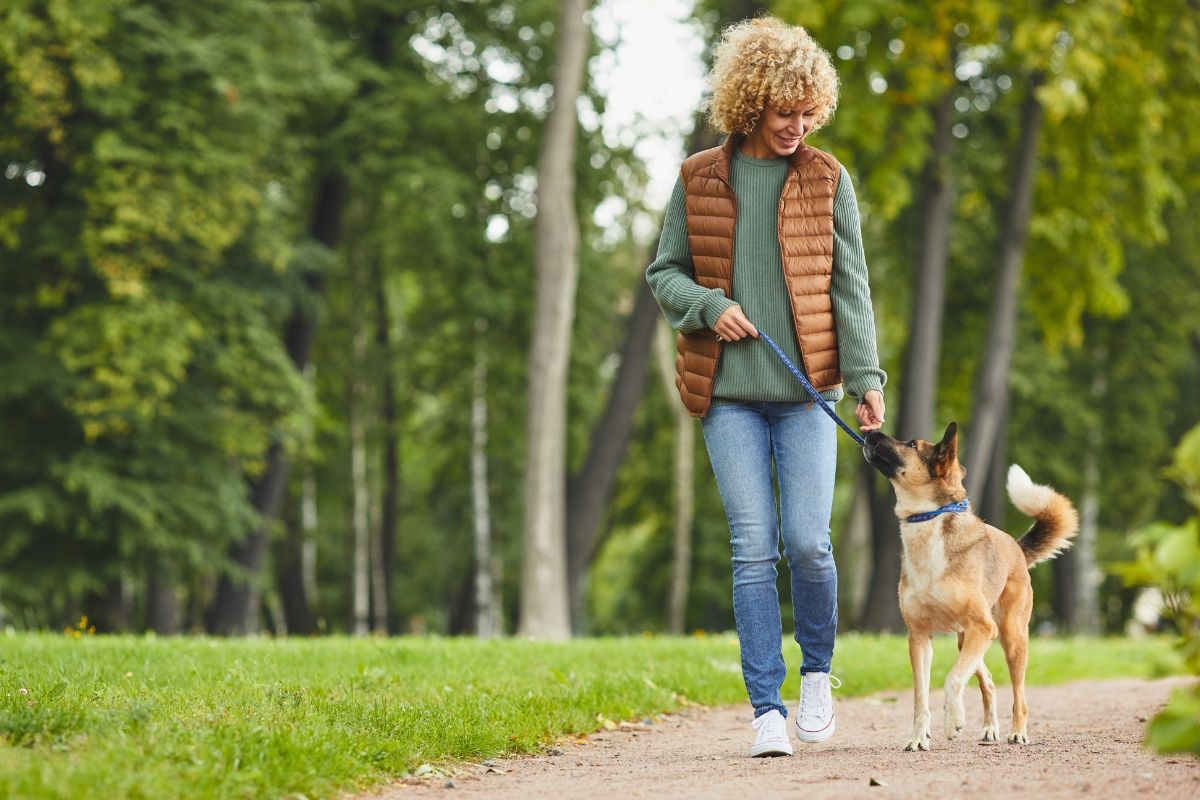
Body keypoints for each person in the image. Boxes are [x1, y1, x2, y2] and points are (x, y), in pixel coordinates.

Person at [646, 16, 886, 758]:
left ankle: (816, 676)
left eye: (809, 113)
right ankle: (765, 710)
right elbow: (664, 272)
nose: (798, 126)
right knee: (753, 549)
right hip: (728, 396)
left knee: (809, 544)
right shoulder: (698, 177)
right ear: (751, 103)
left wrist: (866, 378)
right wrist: (707, 306)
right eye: (786, 112)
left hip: (808, 394)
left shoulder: (827, 178)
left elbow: (850, 287)